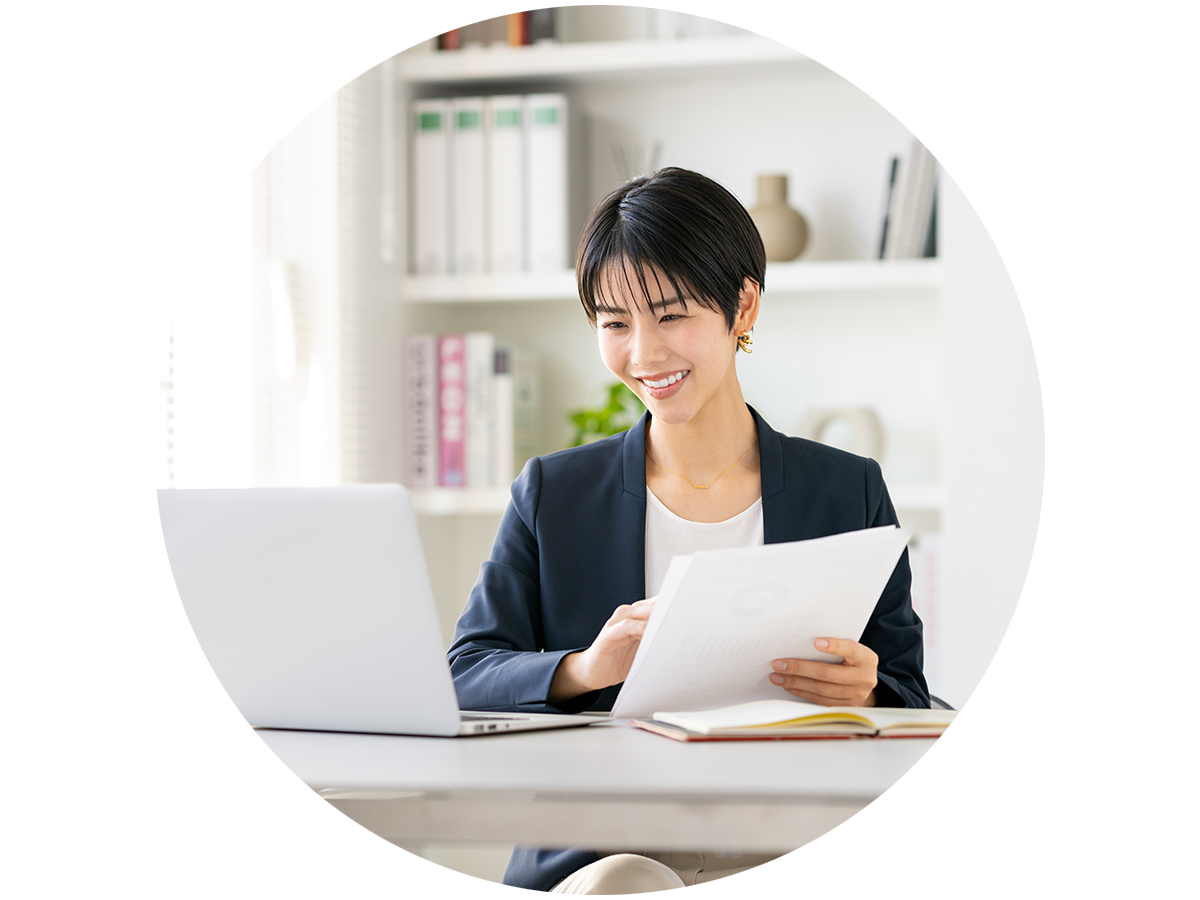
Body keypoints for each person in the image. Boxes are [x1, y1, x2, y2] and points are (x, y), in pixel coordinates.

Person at [447, 167, 929, 895]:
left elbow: (908, 696)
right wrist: (588, 667)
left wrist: (866, 693)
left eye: (671, 316)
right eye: (615, 323)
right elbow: (464, 674)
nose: (643, 353)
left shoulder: (844, 488)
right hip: (611, 855)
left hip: (798, 851)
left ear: (743, 305)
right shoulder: (555, 493)